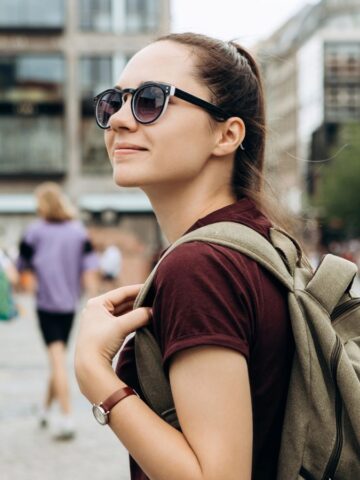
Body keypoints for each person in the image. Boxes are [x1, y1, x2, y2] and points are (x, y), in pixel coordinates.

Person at [75, 33, 294, 479]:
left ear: (227, 134)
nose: (118, 119)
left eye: (150, 100)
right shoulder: (259, 241)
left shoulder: (201, 267)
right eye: (114, 101)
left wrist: (95, 376)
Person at [17, 182, 99, 440]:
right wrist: (93, 302)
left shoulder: (33, 232)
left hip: (46, 305)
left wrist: (28, 281)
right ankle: (44, 409)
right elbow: (90, 271)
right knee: (58, 359)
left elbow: (21, 267)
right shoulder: (79, 232)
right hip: (69, 306)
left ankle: (66, 418)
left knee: (57, 361)